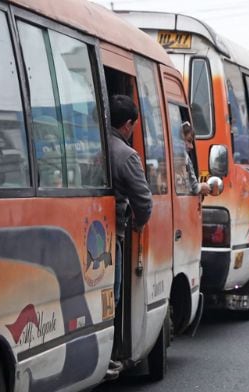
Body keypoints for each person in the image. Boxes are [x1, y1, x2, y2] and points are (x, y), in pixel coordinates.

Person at [106, 95, 153, 379]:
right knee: (112, 295)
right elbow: (144, 202)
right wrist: (138, 223)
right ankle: (110, 356)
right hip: (113, 235)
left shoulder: (92, 145)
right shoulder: (126, 154)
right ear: (127, 125)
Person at [181, 121, 211, 196]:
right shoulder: (183, 157)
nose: (191, 146)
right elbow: (194, 187)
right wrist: (202, 187)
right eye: (188, 141)